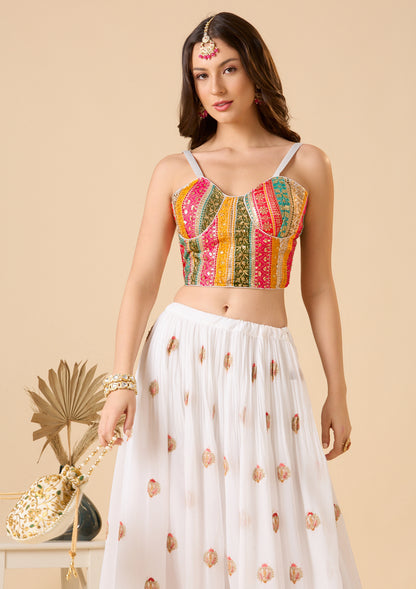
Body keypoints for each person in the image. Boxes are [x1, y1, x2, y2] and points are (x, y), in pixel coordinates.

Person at [97, 12, 362, 589]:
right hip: (179, 360)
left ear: (255, 71)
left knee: (265, 517)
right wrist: (120, 381)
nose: (215, 87)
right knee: (182, 517)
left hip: (264, 362)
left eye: (229, 69)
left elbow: (318, 286)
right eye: (201, 75)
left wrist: (337, 391)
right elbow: (142, 281)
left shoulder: (307, 164)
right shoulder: (175, 171)